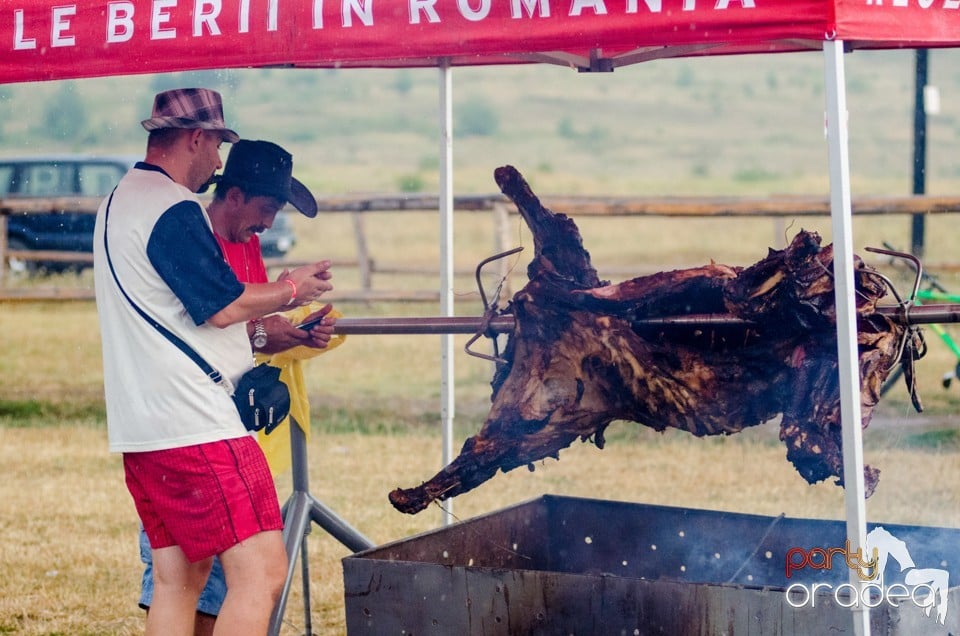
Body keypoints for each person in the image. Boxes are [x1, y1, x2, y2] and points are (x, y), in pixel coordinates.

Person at [93, 88, 334, 635]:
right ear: (195, 138)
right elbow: (223, 306)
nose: (219, 163)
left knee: (181, 580)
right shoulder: (170, 207)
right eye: (217, 146)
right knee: (263, 574)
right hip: (196, 424)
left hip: (146, 426)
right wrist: (290, 287)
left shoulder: (118, 201)